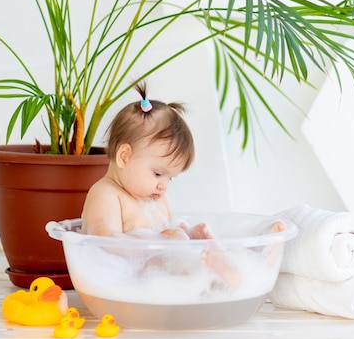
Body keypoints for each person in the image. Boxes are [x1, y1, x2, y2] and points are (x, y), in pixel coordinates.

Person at [81, 81, 241, 286]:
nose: (164, 185)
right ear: (124, 156)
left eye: (170, 178)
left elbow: (171, 232)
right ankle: (219, 276)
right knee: (166, 266)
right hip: (129, 281)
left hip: (162, 278)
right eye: (158, 173)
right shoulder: (106, 194)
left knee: (196, 257)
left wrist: (189, 234)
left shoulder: (158, 199)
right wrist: (161, 243)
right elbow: (103, 241)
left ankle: (228, 265)